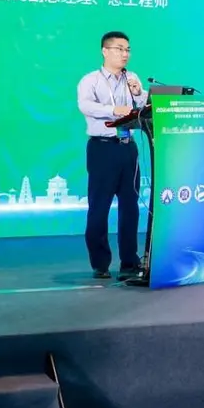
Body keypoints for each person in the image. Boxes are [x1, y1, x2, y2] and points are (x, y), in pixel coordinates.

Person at [76, 31, 148, 280]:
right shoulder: (91, 80)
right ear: (105, 51)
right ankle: (100, 263)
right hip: (103, 148)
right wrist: (113, 109)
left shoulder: (132, 78)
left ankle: (130, 262)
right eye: (119, 49)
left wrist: (139, 93)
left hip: (128, 147)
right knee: (100, 207)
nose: (125, 54)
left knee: (130, 207)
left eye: (127, 49)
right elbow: (85, 105)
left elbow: (145, 106)